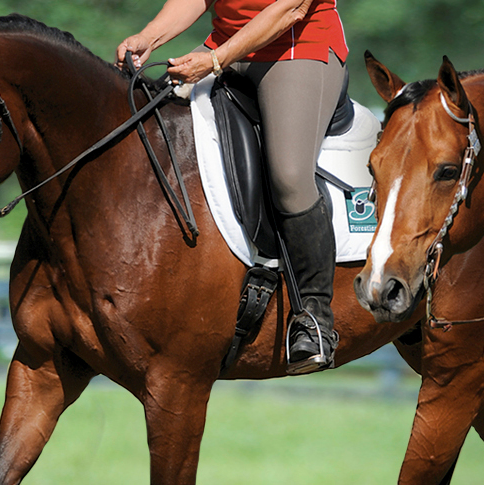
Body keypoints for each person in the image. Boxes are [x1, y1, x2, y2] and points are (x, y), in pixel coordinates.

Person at [118, 0, 347, 374]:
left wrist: (214, 61)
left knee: (289, 176)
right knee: (150, 125)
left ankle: (314, 318)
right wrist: (148, 37)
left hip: (296, 49)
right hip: (223, 47)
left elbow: (291, 9)